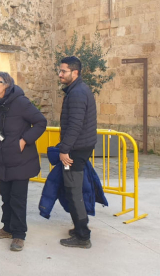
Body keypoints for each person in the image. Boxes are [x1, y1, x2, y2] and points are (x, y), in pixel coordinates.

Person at [0, 72, 47, 252]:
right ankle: (7, 228)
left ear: (6, 85)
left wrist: (24, 140)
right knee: (6, 197)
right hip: (3, 158)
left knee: (18, 199)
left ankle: (19, 235)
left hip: (21, 160)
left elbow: (40, 122)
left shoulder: (21, 103)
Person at [58, 56, 97, 249]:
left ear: (75, 72)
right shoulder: (77, 89)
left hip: (75, 150)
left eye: (63, 71)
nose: (60, 74)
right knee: (74, 190)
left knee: (73, 191)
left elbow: (75, 125)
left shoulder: (78, 93)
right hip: (80, 147)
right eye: (60, 70)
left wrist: (64, 150)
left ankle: (83, 236)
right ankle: (80, 227)